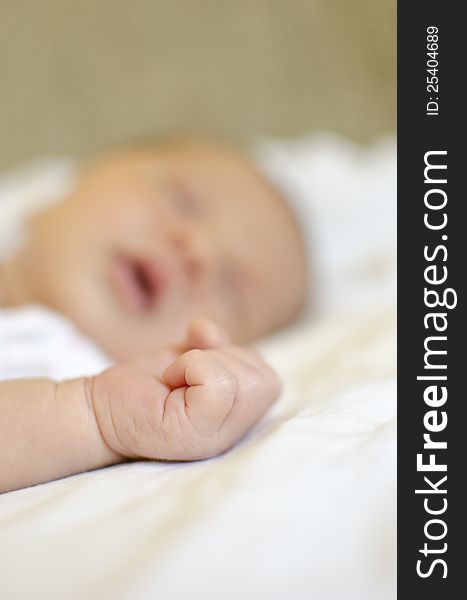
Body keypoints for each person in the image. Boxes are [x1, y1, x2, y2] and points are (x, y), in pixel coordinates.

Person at [0, 139, 308, 493]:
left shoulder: (70, 386)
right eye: (181, 200)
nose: (199, 250)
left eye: (231, 291)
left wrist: (95, 416)